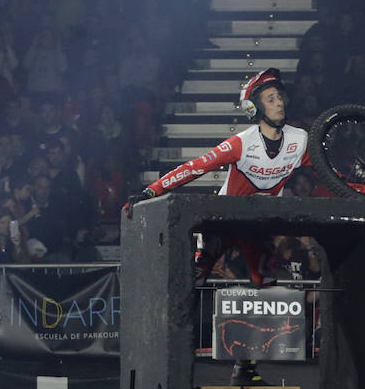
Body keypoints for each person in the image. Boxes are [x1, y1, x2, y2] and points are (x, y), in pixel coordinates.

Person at [123, 68, 308, 286]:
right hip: (224, 220)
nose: (279, 103)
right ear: (255, 108)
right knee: (194, 279)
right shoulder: (241, 143)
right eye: (271, 99)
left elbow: (329, 171)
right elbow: (194, 167)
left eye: (279, 97)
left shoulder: (300, 138)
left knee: (266, 282)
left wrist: (359, 189)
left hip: (259, 225)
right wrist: (152, 190)